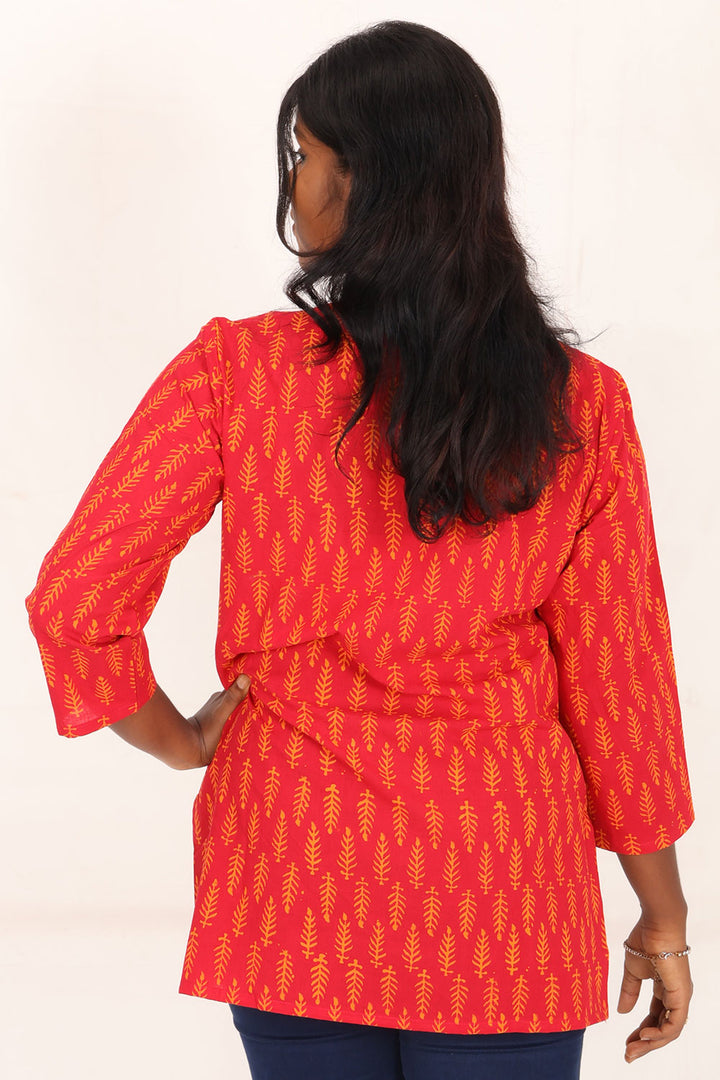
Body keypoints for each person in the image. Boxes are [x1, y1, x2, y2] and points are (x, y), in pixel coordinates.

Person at [26, 19, 694, 1080]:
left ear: (361, 183)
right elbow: (621, 684)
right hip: (505, 897)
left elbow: (77, 600)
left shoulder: (236, 374)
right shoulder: (580, 406)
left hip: (295, 881)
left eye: (306, 156)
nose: (295, 184)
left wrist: (181, 741)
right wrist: (663, 919)